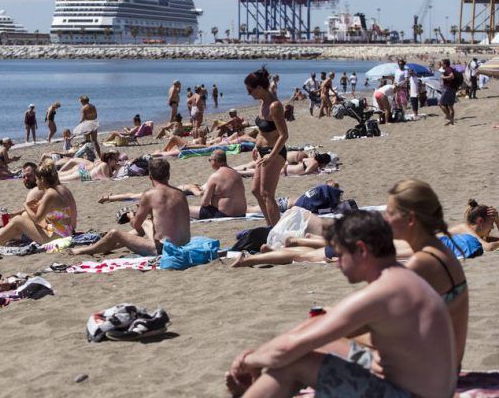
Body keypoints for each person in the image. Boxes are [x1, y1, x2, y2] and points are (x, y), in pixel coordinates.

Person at [225, 210, 457, 397]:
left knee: (295, 363)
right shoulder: (403, 279)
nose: (337, 263)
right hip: (428, 385)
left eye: (340, 255)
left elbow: (288, 350)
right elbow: (316, 328)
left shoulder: (381, 293)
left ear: (361, 250)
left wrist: (247, 361)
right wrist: (261, 354)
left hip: (413, 393)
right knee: (313, 347)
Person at [385, 179, 469, 366]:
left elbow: (377, 322)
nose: (385, 219)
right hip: (445, 368)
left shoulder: (421, 263)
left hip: (429, 376)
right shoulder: (443, 251)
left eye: (390, 213)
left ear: (411, 219)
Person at [69, 159, 190, 256]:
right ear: (168, 175)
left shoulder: (150, 194)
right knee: (147, 223)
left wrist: (131, 216)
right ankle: (109, 246)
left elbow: (136, 225)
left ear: (150, 176)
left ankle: (84, 251)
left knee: (115, 233)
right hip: (184, 245)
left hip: (164, 249)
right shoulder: (180, 194)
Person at [0, 159, 77, 245]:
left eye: (37, 179)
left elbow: (37, 219)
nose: (36, 182)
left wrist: (25, 206)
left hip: (59, 238)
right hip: (63, 233)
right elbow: (41, 211)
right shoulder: (52, 191)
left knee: (18, 220)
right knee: (24, 216)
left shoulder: (50, 194)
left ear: (42, 179)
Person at [246, 67, 288, 226]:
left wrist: (270, 156)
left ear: (259, 88)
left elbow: (284, 135)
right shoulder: (262, 102)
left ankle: (276, 229)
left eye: (250, 90)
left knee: (266, 193)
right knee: (256, 191)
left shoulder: (274, 106)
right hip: (262, 151)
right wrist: (256, 147)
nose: (249, 94)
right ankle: (270, 225)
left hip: (274, 152)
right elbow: (262, 130)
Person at [189, 150, 247, 219]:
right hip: (241, 214)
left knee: (186, 209)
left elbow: (204, 203)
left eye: (209, 160)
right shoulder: (237, 174)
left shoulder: (215, 176)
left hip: (223, 214)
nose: (210, 162)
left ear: (215, 160)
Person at [439, 59, 457, 125]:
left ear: (445, 64)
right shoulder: (450, 69)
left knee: (440, 104)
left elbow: (452, 76)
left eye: (442, 64)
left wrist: (444, 77)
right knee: (450, 106)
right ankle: (451, 121)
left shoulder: (448, 69)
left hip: (448, 89)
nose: (441, 65)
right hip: (452, 89)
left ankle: (449, 117)